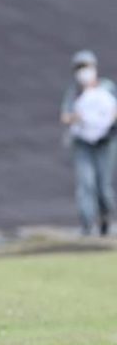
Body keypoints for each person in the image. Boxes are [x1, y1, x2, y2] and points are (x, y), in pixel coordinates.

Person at [60, 50, 117, 236]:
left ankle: (106, 221)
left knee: (103, 186)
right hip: (83, 143)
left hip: (105, 142)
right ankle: (87, 225)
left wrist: (106, 117)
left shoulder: (107, 87)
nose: (83, 71)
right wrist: (78, 116)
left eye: (86, 67)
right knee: (86, 183)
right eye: (79, 68)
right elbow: (65, 116)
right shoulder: (75, 91)